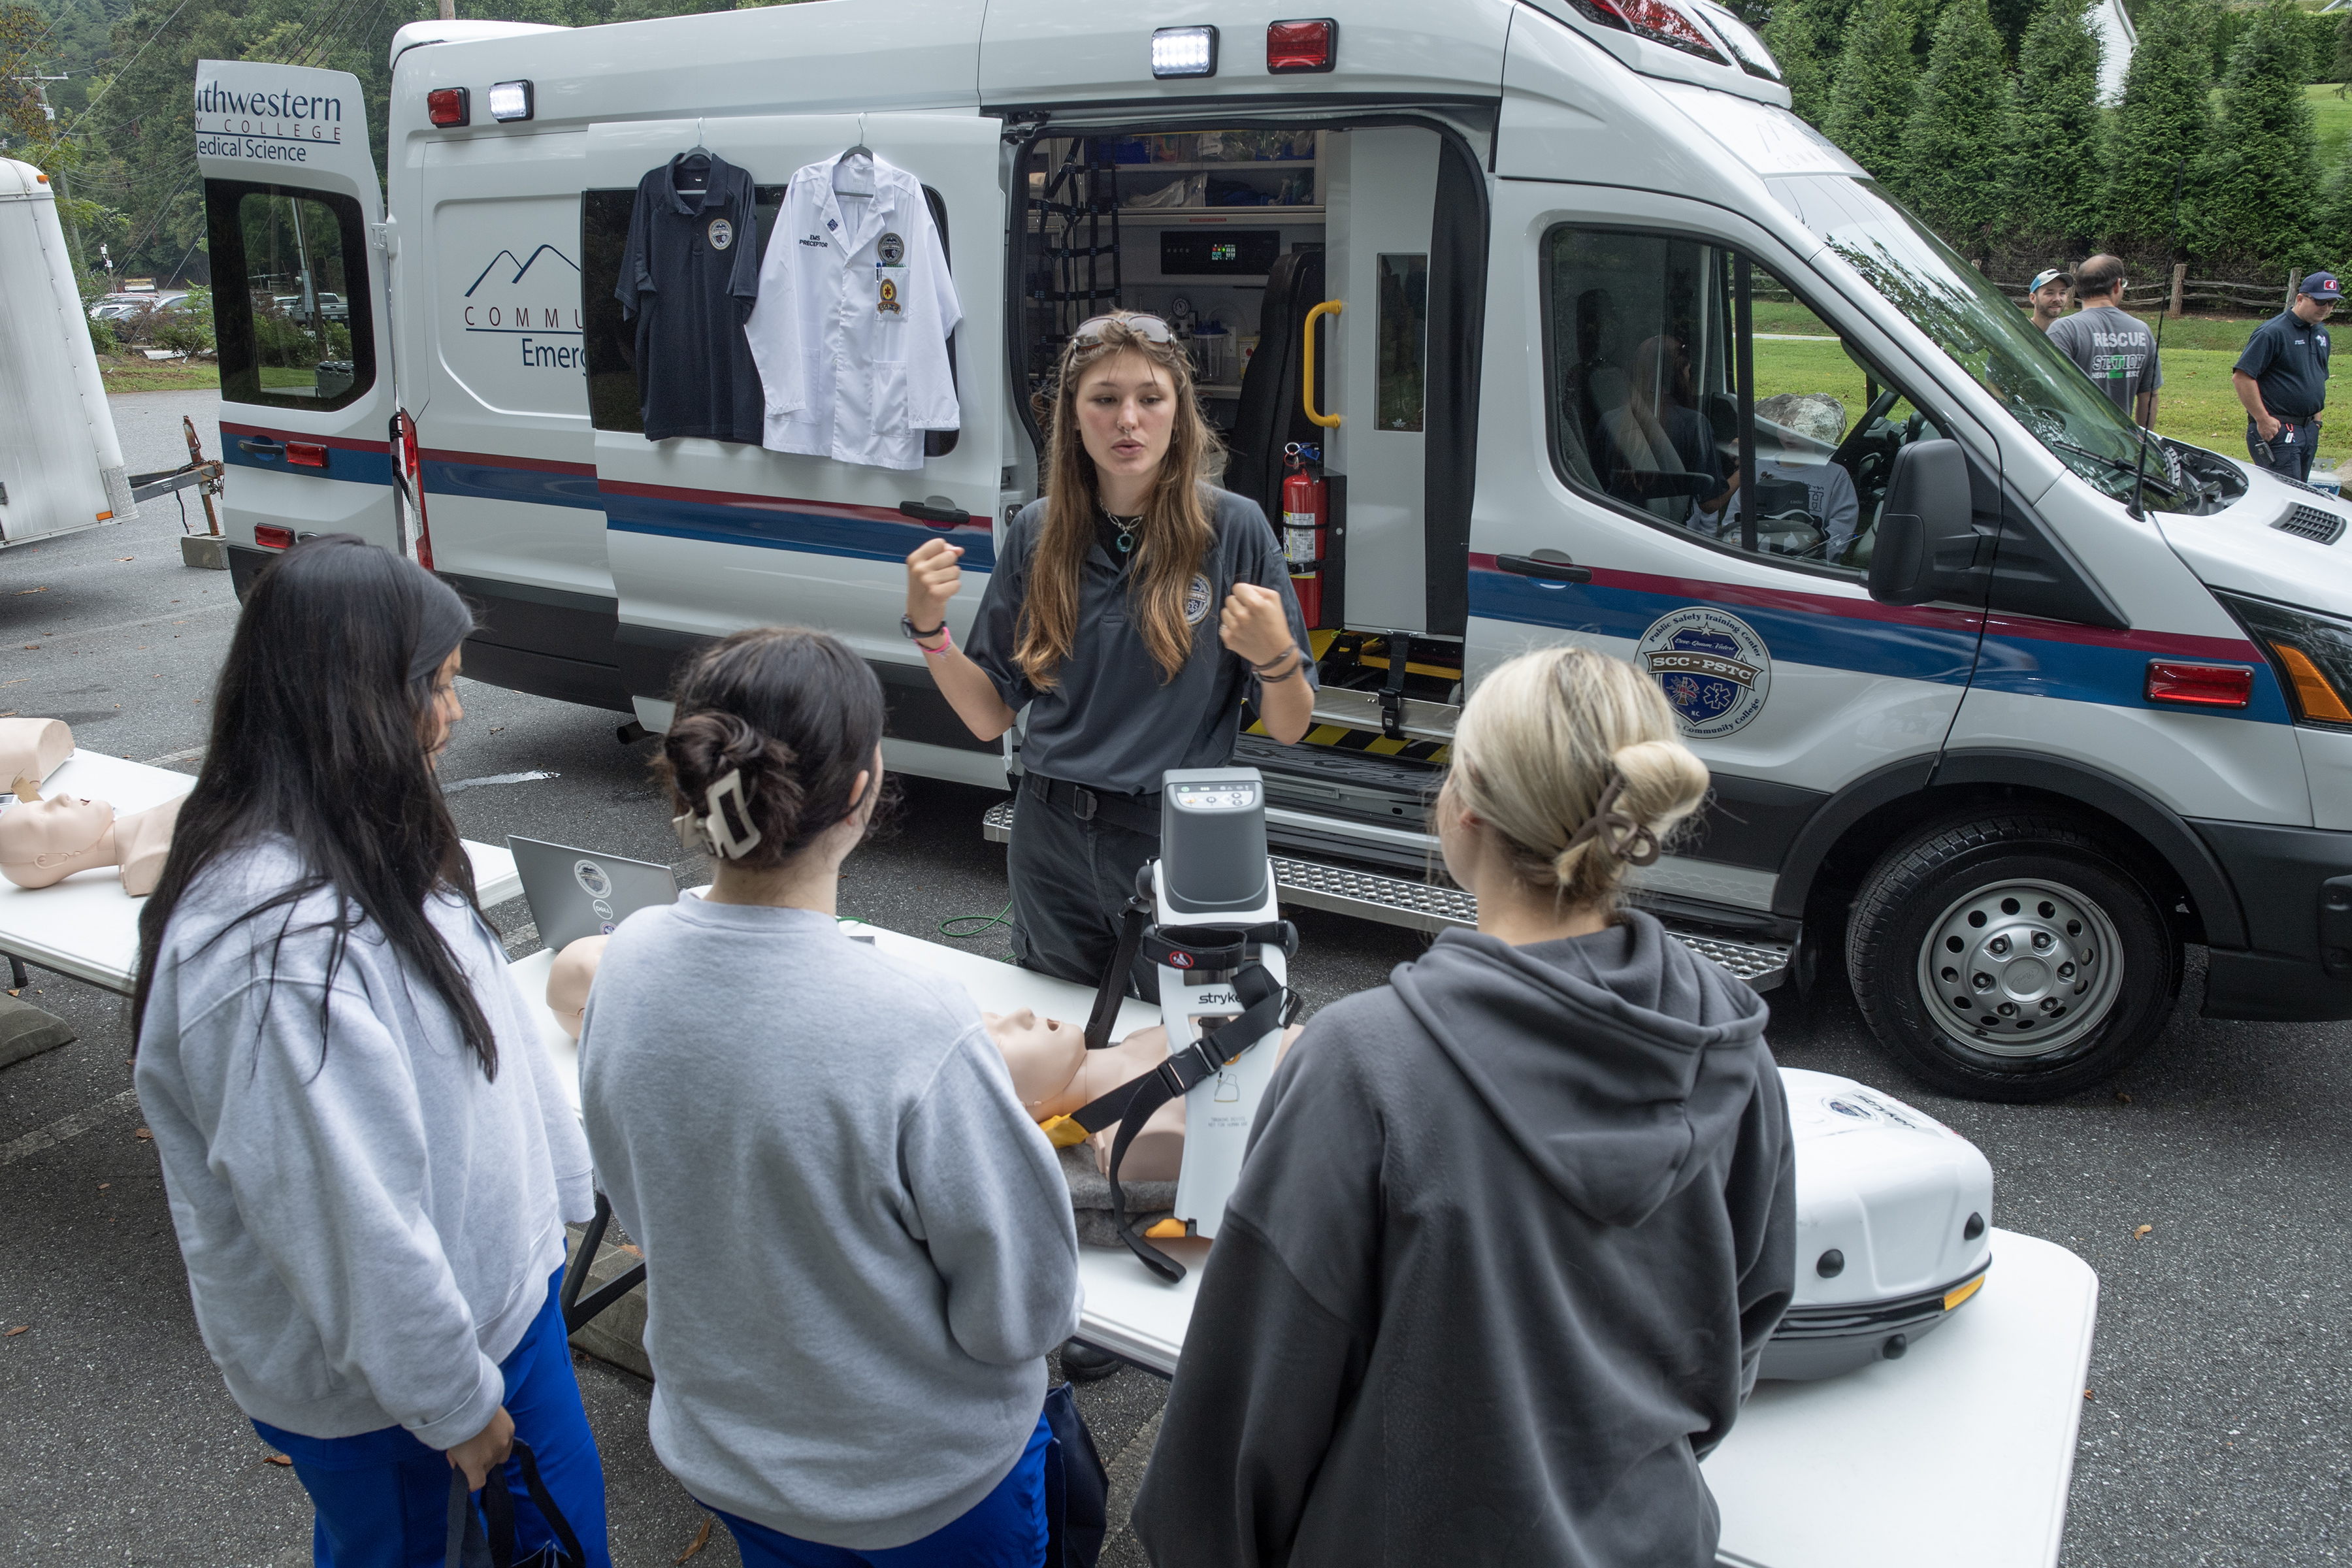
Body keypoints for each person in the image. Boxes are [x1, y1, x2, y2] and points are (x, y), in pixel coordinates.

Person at [1130, 645, 1797, 1568]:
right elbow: (1746, 1317)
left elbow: (1252, 1402)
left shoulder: (1366, 1064)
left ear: (1466, 805)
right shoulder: (1729, 1044)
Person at [131, 537, 610, 1568]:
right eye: (437, 686)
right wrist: (452, 1406)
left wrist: (567, 1193)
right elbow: (347, 1217)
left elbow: (487, 1032)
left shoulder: (365, 831)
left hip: (495, 1326)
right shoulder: (268, 957)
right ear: (352, 702)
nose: (458, 711)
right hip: (404, 1400)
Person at [579, 627, 1081, 1567]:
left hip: (738, 1468)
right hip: (929, 1494)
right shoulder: (916, 1020)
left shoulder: (630, 963)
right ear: (861, 790)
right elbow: (1022, 1314)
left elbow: (642, 1202)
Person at [902, 313, 1315, 1002]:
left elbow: (1292, 724)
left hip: (1177, 839)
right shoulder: (1037, 533)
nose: (1129, 419)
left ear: (1179, 413)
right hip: (1050, 838)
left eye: (1150, 398)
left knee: (1191, 1045)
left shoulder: (1235, 529)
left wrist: (1275, 662)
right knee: (1059, 1039)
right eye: (1104, 398)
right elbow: (988, 715)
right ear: (1073, 415)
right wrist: (928, 629)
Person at [1592, 332, 1731, 525]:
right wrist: (1745, 468)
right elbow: (1710, 503)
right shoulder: (1694, 424)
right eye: (1689, 371)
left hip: (1617, 524)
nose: (1691, 378)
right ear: (1679, 375)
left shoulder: (1610, 421)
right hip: (1670, 532)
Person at [2233, 271, 2340, 483]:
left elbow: (2317, 378)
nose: (2326, 308)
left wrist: (2316, 422)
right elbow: (2242, 377)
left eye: (2332, 302)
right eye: (2320, 301)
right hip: (2279, 430)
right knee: (2285, 499)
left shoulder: (2321, 335)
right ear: (2300, 298)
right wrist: (2263, 420)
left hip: (2308, 430)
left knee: (2302, 494)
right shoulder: (2273, 332)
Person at [2044, 254, 2161, 428]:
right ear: (2116, 285)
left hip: (2071, 445)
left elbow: (2049, 391)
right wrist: (2144, 445)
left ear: (2079, 289)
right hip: (2120, 447)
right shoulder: (2142, 330)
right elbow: (2149, 395)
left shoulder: (2064, 330)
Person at [2027, 267, 2070, 332]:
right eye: (2050, 293)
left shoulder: (2069, 334)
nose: (2057, 299)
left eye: (2062, 293)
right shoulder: (2022, 333)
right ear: (2033, 298)